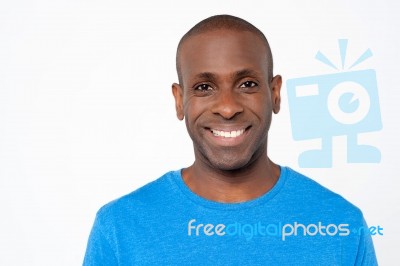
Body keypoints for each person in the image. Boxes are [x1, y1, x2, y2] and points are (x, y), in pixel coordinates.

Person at [83, 15, 377, 265]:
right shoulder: (120, 227)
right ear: (179, 100)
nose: (227, 107)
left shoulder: (342, 225)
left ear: (275, 93)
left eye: (247, 84)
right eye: (204, 86)